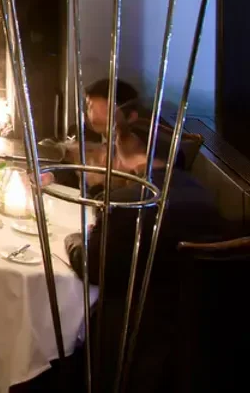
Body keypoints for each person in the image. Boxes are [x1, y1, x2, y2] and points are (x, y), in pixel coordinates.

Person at [65, 118, 223, 393]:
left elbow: (93, 267)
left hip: (130, 336)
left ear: (124, 149)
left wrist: (75, 240)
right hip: (197, 336)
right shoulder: (204, 196)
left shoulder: (130, 201)